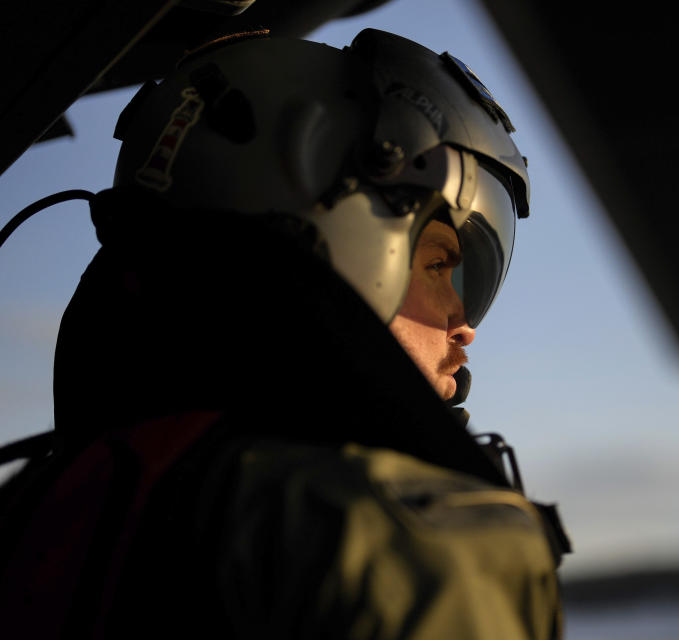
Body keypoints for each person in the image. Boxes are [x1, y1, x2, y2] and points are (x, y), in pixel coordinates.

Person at [0, 28, 570, 639]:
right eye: (438, 266)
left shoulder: (41, 511)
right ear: (342, 237)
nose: (463, 327)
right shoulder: (387, 549)